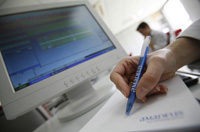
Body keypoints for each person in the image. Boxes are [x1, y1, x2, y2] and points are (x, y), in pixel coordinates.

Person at [110, 19, 200, 102]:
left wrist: (151, 45)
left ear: (147, 27)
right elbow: (149, 54)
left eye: (142, 31)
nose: (142, 34)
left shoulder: (158, 34)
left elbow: (161, 49)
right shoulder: (147, 39)